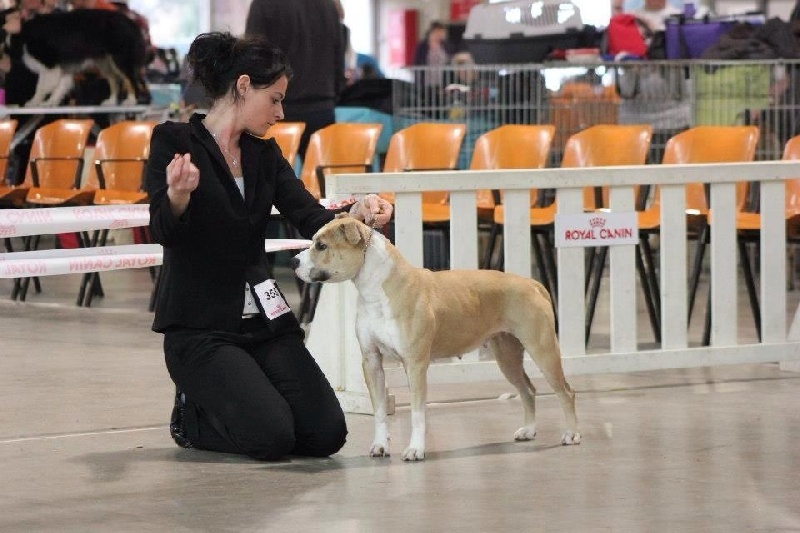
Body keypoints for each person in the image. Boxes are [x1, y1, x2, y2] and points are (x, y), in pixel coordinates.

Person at [143, 31, 393, 460]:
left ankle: (250, 395)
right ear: (243, 86)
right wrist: (178, 197)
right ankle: (191, 416)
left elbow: (310, 215)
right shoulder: (174, 141)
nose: (281, 112)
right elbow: (164, 232)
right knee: (273, 438)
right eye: (274, 99)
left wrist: (359, 213)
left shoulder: (264, 154)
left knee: (326, 435)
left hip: (263, 321)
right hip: (199, 330)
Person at [244, 0, 344, 161]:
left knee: (270, 181)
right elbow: (339, 57)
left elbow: (253, 56)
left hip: (277, 108)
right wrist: (334, 94)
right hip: (323, 107)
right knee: (324, 181)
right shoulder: (329, 4)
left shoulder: (264, 4)